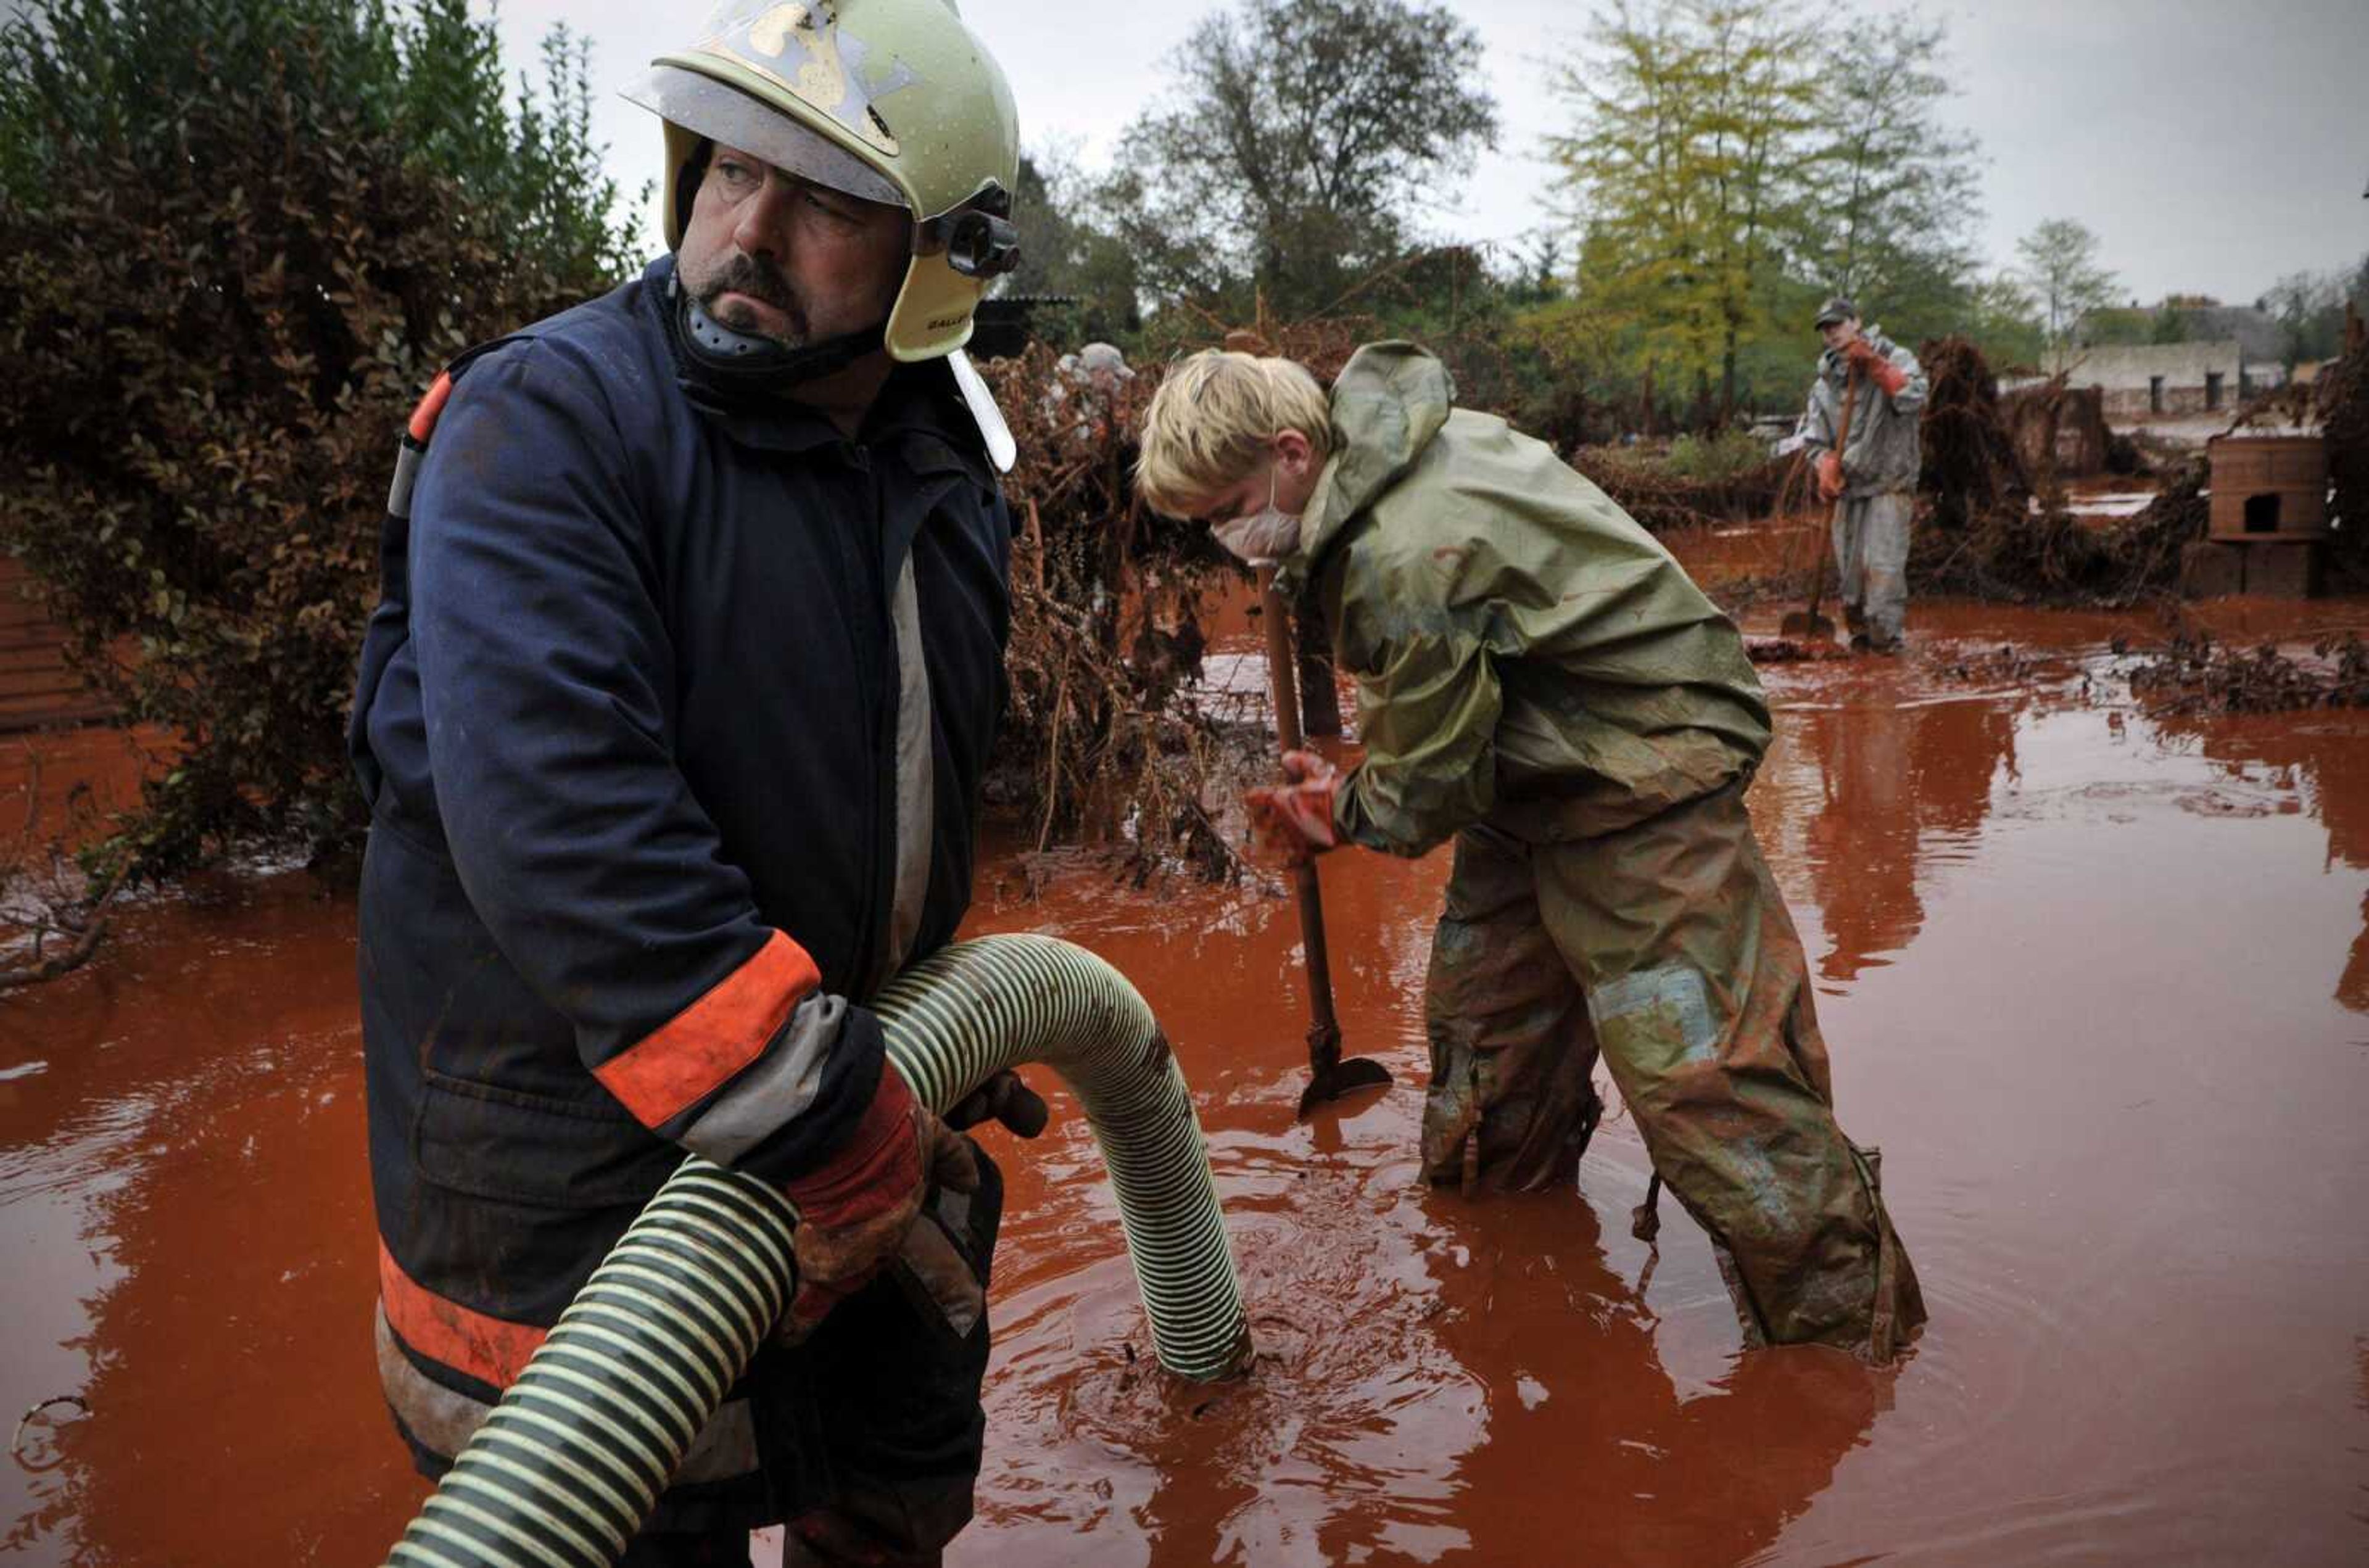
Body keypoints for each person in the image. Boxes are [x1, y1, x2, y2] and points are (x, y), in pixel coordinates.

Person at [347, 2, 1042, 1561]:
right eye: (729, 172)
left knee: (894, 1499)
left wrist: (921, 1031)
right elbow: (567, 832)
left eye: (826, 203)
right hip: (578, 1242)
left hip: (851, 1152)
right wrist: (828, 1104)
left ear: (936, 266)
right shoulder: (548, 425)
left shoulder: (939, 476)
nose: (745, 231)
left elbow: (905, 802)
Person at [1134, 343, 1925, 1361]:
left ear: (1293, 451)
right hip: (1534, 770)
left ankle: (1855, 1358)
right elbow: (1446, 729)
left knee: (1713, 1093)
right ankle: (1512, 1283)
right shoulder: (1383, 458)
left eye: (1227, 508)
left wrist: (1343, 810)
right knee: (1489, 1058)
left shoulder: (1403, 552)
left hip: (1644, 782)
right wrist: (1369, 785)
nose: (1227, 541)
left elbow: (1430, 787)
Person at [1799, 295, 1929, 653]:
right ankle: (1861, 645)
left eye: (1837, 325)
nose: (1832, 334)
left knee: (1882, 573)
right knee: (1852, 580)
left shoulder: (1895, 357)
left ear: (1857, 322)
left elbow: (1916, 397)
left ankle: (1887, 650)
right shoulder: (1824, 383)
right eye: (1825, 329)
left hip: (1889, 483)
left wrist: (1876, 367)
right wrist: (1824, 464)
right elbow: (1814, 440)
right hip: (1848, 489)